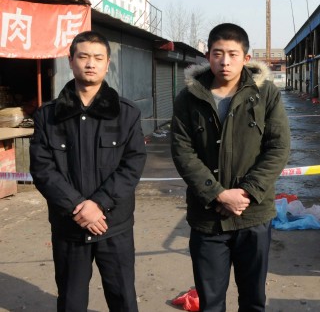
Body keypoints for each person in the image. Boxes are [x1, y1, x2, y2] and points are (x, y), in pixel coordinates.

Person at [171, 23, 290, 312]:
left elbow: (278, 148)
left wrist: (245, 193)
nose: (225, 62)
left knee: (253, 299)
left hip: (253, 216)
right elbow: (182, 151)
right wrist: (218, 195)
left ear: (246, 58)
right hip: (208, 218)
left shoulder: (266, 95)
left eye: (233, 54)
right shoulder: (189, 98)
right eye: (218, 53)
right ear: (207, 55)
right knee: (210, 302)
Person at [29, 30, 147, 312]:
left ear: (108, 64)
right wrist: (79, 208)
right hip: (69, 227)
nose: (90, 64)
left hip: (113, 225)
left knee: (123, 298)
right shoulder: (48, 116)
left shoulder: (126, 114)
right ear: (71, 61)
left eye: (98, 58)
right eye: (83, 57)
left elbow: (132, 164)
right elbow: (42, 169)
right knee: (71, 300)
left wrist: (99, 205)